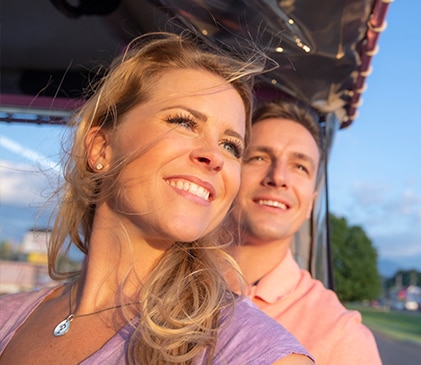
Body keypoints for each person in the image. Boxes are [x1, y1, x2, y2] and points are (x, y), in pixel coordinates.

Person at [0, 33, 314, 365]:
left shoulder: (256, 352)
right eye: (184, 122)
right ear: (101, 148)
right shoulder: (8, 316)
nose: (215, 157)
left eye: (231, 146)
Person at [232, 99, 382, 364]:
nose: (278, 177)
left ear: (311, 204)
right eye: (259, 157)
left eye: (300, 166)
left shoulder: (341, 336)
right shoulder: (160, 276)